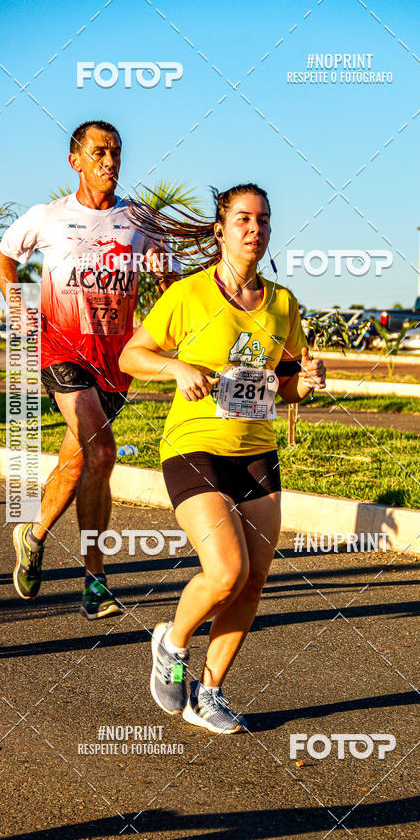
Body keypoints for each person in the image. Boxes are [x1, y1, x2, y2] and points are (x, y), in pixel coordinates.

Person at [119, 183, 326, 733]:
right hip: (194, 445)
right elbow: (132, 354)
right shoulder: (188, 295)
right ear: (220, 229)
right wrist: (177, 369)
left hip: (256, 452)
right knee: (226, 570)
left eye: (263, 219)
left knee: (254, 579)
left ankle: (208, 694)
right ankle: (172, 640)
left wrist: (305, 381)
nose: (254, 229)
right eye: (242, 219)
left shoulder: (283, 304)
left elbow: (284, 386)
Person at [0, 119, 163, 619]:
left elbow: (165, 273)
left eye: (116, 152)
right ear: (76, 161)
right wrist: (12, 293)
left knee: (75, 464)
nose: (110, 162)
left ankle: (33, 533)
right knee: (103, 451)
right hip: (61, 350)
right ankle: (95, 583)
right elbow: (5, 256)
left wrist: (161, 270)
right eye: (99, 152)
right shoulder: (47, 217)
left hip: (115, 361)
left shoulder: (139, 220)